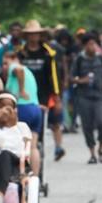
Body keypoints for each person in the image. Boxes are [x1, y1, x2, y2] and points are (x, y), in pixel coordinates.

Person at [16, 20, 64, 160]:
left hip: (43, 94)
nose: (33, 37)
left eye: (36, 34)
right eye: (30, 34)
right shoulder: (21, 53)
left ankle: (42, 152)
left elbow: (54, 76)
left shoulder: (48, 53)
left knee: (42, 127)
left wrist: (56, 97)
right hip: (24, 94)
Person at [70, 33, 102, 164]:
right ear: (84, 46)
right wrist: (82, 80)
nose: (92, 47)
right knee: (87, 126)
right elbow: (71, 78)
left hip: (100, 96)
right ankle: (92, 153)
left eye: (94, 44)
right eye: (89, 44)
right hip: (84, 96)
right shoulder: (79, 60)